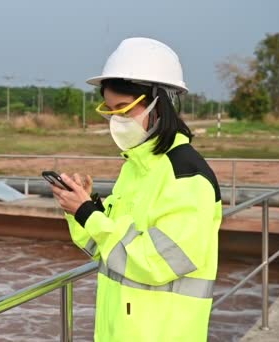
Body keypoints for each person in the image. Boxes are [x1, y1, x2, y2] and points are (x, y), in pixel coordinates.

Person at [51, 37, 222, 341]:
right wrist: (82, 206)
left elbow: (155, 263)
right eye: (111, 111)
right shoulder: (135, 168)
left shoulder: (186, 175)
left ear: (159, 104)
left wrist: (89, 213)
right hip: (118, 331)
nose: (116, 120)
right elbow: (106, 250)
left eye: (125, 108)